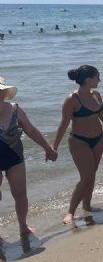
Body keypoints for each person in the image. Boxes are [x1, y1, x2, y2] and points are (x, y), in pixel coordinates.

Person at [53, 65, 103, 225]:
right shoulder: (72, 99)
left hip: (98, 139)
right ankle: (70, 212)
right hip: (79, 141)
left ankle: (87, 205)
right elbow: (63, 124)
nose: (100, 80)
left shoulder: (96, 94)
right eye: (98, 76)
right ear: (88, 79)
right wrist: (54, 147)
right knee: (86, 176)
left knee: (92, 174)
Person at [0, 77, 57, 235]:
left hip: (15, 157)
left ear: (5, 92)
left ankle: (23, 227)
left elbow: (31, 130)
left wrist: (47, 148)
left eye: (0, 90)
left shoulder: (15, 109)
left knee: (20, 194)